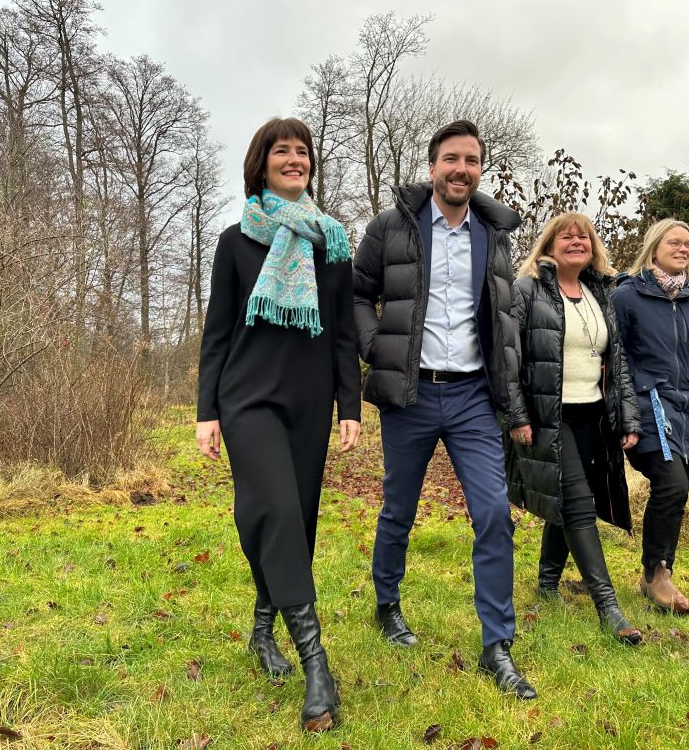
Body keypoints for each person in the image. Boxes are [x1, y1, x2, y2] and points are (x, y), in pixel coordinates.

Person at [353, 119, 536, 699]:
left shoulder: (494, 235)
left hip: (473, 398)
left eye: (472, 161)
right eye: (451, 159)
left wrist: (511, 396)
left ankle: (496, 645)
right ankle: (387, 605)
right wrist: (374, 348)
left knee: (493, 513)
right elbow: (358, 294)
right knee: (398, 508)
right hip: (408, 394)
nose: (461, 169)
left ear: (480, 170)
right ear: (432, 166)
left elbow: (505, 322)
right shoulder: (391, 227)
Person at [196, 117, 361, 731]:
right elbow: (217, 332)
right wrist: (205, 410)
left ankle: (264, 628)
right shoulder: (236, 241)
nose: (294, 159)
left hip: (311, 402)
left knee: (301, 517)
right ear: (260, 163)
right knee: (272, 512)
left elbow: (345, 332)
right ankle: (317, 662)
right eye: (281, 151)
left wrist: (350, 405)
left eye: (302, 152)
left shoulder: (333, 243)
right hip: (246, 399)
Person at [505, 212, 644, 645]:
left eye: (583, 236)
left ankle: (547, 583)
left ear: (592, 247)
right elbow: (508, 357)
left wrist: (627, 417)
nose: (576, 241)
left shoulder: (600, 291)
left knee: (567, 497)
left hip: (593, 415)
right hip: (550, 416)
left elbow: (616, 361)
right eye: (566, 235)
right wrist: (516, 414)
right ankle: (608, 607)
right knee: (579, 501)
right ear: (549, 244)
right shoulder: (527, 289)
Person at [611, 218, 689, 615]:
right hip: (646, 409)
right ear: (654, 247)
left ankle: (659, 570)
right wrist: (626, 413)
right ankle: (656, 575)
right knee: (670, 485)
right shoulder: (628, 296)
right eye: (675, 243)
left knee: (678, 489)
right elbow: (614, 360)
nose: (684, 249)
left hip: (686, 413)